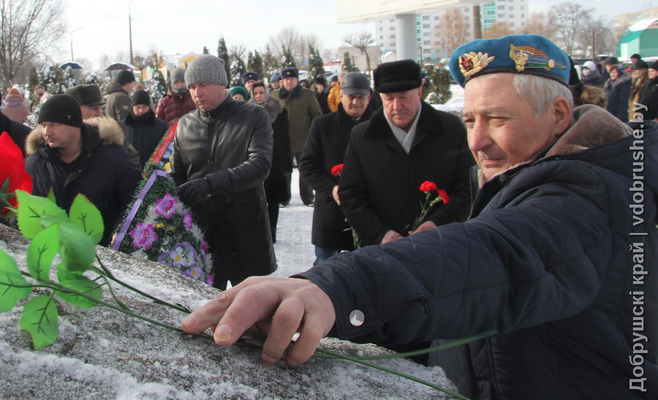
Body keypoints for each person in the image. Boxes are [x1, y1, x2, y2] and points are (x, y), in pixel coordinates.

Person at [181, 34, 658, 399]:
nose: (477, 142)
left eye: (498, 119)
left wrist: (338, 287)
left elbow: (503, 253)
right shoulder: (530, 168)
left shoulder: (594, 189)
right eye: (471, 121)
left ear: (558, 112)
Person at [339, 59, 474, 247]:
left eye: (403, 97)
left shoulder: (450, 129)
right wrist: (380, 233)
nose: (396, 106)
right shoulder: (362, 136)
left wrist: (438, 223)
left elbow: (468, 186)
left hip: (443, 244)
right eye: (389, 99)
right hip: (382, 250)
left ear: (419, 92)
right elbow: (350, 194)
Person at [169, 55, 276, 290]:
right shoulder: (184, 125)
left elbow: (260, 165)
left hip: (246, 231)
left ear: (221, 83)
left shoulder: (253, 116)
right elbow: (177, 177)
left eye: (203, 85)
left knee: (253, 312)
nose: (197, 92)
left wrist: (209, 184)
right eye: (192, 87)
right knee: (204, 312)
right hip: (203, 236)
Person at [25, 94, 141, 245]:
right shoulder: (34, 164)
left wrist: (120, 232)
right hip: (51, 257)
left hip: (102, 258)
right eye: (43, 125)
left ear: (75, 126)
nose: (47, 132)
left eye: (54, 124)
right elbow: (22, 210)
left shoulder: (113, 157)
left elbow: (133, 199)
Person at [299, 72, 374, 265]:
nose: (356, 102)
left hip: (371, 215)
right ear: (342, 96)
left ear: (369, 98)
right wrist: (332, 189)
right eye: (351, 97)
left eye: (361, 97)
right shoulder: (323, 125)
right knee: (326, 273)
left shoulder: (379, 126)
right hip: (332, 215)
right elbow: (307, 165)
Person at [273, 67, 322, 207]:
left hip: (304, 139)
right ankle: (283, 197)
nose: (289, 82)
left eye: (292, 79)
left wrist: (314, 134)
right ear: (282, 81)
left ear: (297, 80)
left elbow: (317, 116)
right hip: (282, 141)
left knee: (306, 169)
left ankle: (308, 198)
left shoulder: (308, 96)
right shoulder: (275, 96)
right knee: (284, 170)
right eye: (286, 79)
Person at [249, 81, 292, 243]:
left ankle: (272, 231)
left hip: (275, 160)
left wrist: (287, 165)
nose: (258, 96)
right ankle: (259, 230)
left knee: (273, 198)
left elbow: (286, 139)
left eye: (261, 92)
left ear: (266, 93)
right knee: (256, 197)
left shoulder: (279, 110)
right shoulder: (247, 111)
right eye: (256, 93)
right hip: (254, 160)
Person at [66, 84, 141, 169]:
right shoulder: (60, 138)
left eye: (100, 108)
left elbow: (133, 161)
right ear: (75, 110)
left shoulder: (110, 135)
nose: (98, 113)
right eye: (93, 108)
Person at [119, 90, 167, 166]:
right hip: (129, 171)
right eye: (138, 107)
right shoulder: (122, 126)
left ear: (149, 107)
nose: (141, 110)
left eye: (144, 107)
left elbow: (165, 151)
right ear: (132, 107)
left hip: (154, 172)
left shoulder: (160, 126)